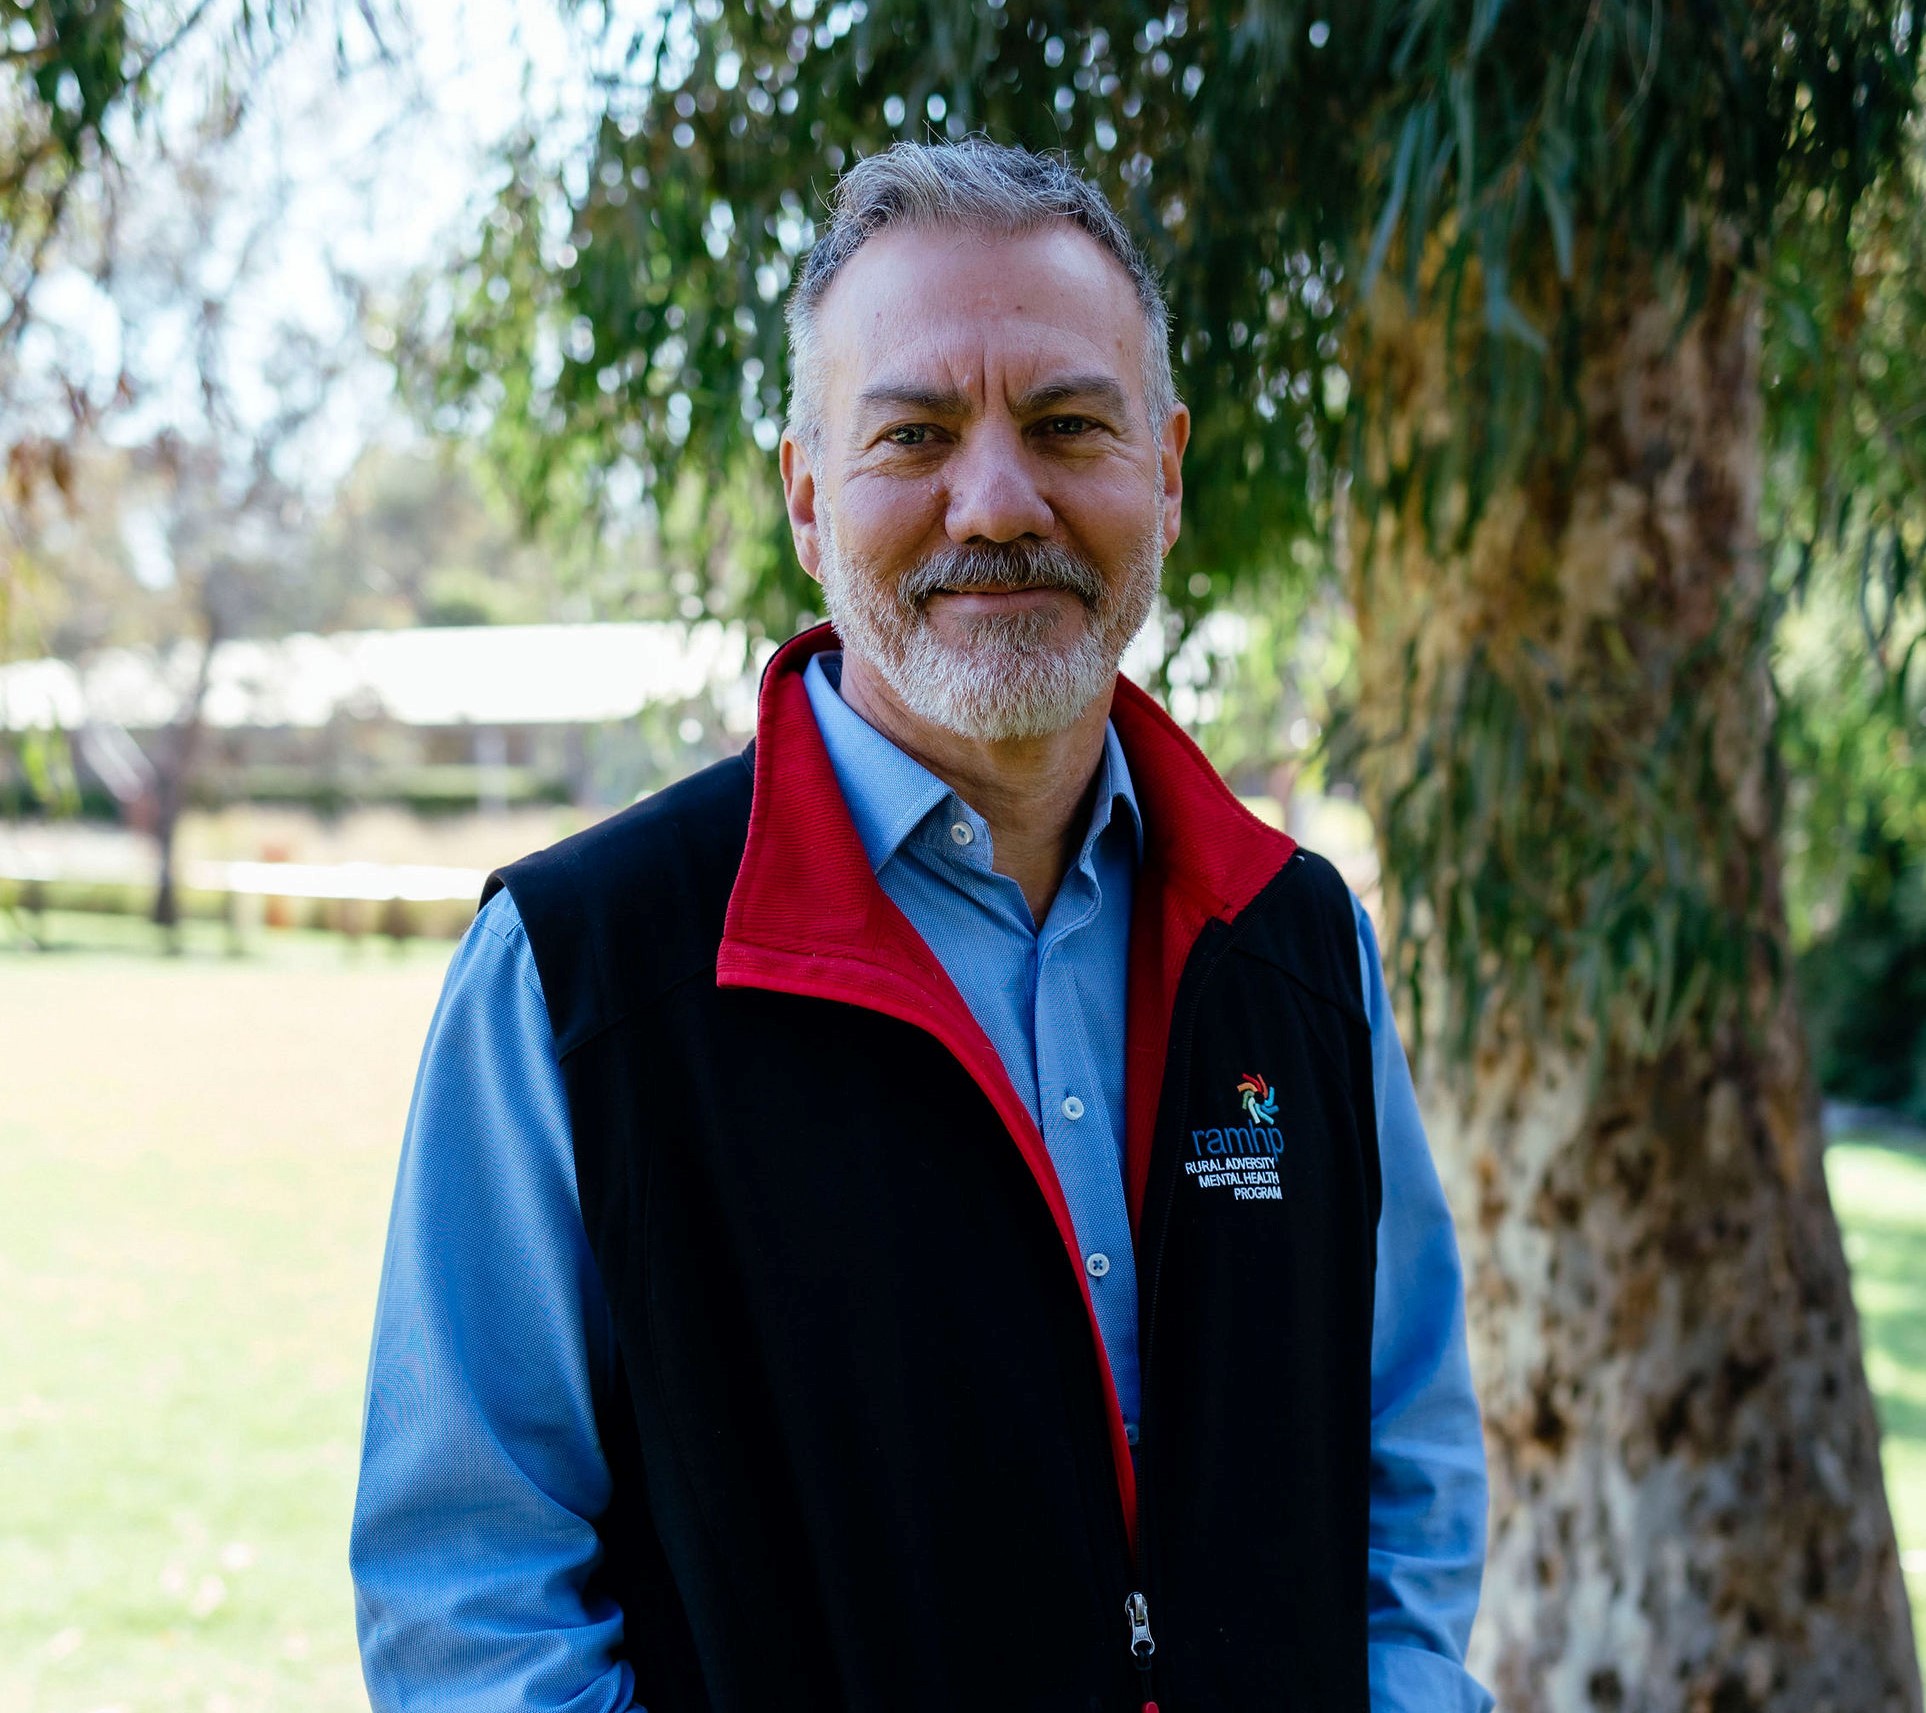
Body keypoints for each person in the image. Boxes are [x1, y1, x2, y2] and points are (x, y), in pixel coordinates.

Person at [351, 138, 1492, 1713]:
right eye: (916, 432)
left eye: (1066, 423)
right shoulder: (576, 975)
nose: (998, 496)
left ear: (1162, 469)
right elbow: (468, 1587)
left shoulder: (1298, 949)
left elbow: (1406, 1455)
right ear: (809, 497)